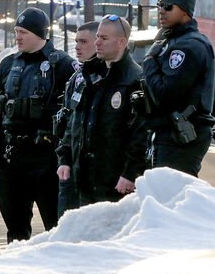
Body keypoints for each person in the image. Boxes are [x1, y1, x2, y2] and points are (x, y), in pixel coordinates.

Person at [0, 7, 75, 242]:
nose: (18, 37)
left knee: (56, 229)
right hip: (11, 159)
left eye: (23, 32)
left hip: (45, 159)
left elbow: (74, 113)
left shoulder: (62, 65)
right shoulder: (8, 65)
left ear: (39, 34)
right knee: (15, 231)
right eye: (16, 31)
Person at [57, 16, 147, 206]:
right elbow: (75, 120)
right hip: (85, 181)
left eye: (104, 38)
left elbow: (141, 133)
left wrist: (130, 173)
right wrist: (65, 157)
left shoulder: (134, 79)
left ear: (122, 42)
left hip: (115, 185)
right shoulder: (89, 75)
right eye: (97, 36)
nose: (97, 42)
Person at [139, 0, 215, 177]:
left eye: (168, 6)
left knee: (171, 198)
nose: (161, 11)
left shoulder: (187, 46)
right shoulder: (173, 40)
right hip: (170, 133)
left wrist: (148, 62)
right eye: (159, 5)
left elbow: (165, 95)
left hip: (181, 136)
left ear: (185, 11)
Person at [53, 20, 97, 216]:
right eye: (77, 41)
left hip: (93, 174)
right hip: (71, 170)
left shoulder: (108, 79)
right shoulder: (77, 78)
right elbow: (68, 125)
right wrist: (64, 159)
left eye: (84, 42)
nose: (77, 47)